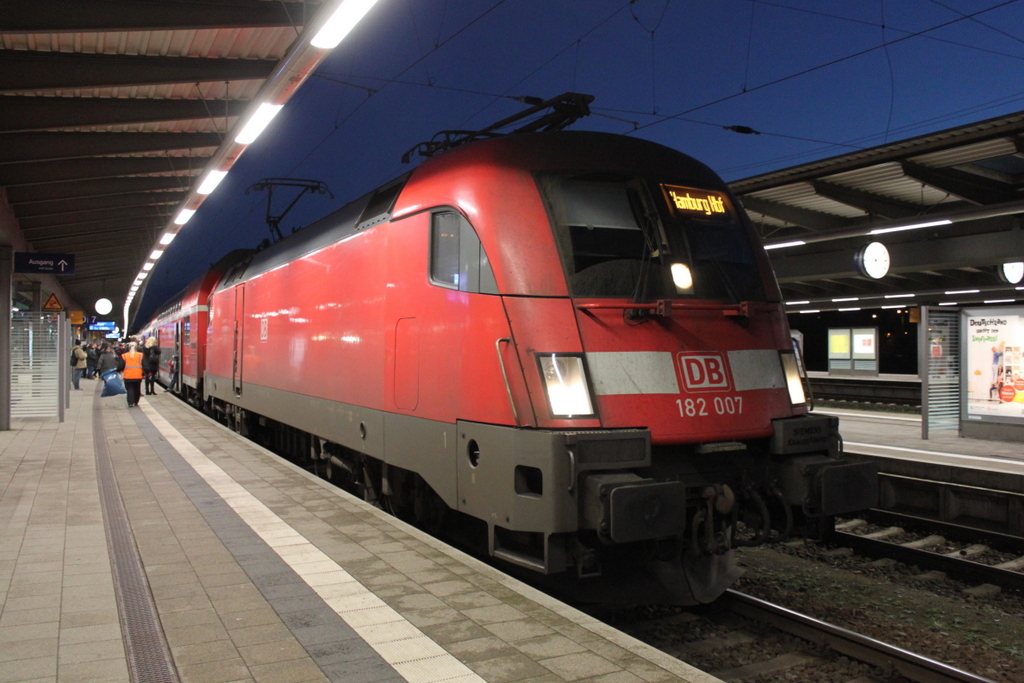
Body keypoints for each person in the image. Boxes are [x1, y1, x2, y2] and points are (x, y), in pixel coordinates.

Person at [121, 341, 144, 407]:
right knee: (137, 389)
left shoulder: (124, 355)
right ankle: (136, 402)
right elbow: (144, 364)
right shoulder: (140, 355)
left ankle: (130, 402)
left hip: (128, 376)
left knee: (130, 389)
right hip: (138, 375)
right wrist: (146, 372)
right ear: (137, 347)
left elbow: (120, 365)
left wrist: (118, 370)